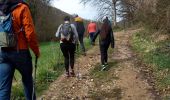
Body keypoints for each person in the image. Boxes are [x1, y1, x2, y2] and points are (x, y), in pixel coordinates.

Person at [0, 0, 40, 100]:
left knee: (4, 88)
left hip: (4, 53)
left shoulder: (1, 9)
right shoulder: (22, 8)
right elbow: (30, 34)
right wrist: (36, 51)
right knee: (27, 81)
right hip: (20, 52)